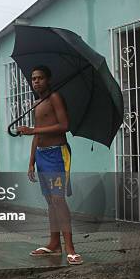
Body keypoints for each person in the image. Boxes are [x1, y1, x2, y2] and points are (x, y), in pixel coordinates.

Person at [17, 65, 83, 265]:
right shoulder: (37, 103)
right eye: (33, 78)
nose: (36, 81)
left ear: (48, 79)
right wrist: (31, 161)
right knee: (50, 201)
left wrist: (33, 129)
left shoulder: (55, 98)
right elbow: (37, 135)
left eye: (40, 78)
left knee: (58, 200)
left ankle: (70, 248)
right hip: (42, 156)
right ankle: (54, 243)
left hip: (57, 154)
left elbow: (64, 126)